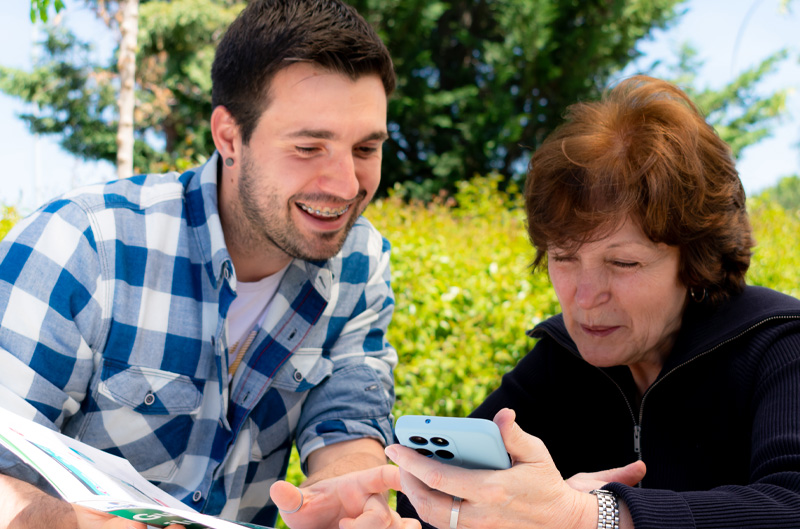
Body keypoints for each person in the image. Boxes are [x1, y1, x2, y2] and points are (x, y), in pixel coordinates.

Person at [0, 1, 419, 528]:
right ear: (228, 138)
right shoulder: (83, 244)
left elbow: (345, 423)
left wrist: (354, 500)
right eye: (309, 147)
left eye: (365, 148)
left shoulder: (360, 263)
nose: (346, 185)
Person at [388, 75, 800, 529]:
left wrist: (593, 516)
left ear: (696, 260)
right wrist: (384, 513)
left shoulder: (781, 345)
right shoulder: (558, 361)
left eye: (623, 263)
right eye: (564, 258)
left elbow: (790, 505)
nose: (584, 297)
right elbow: (443, 505)